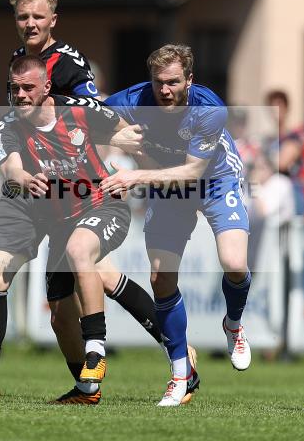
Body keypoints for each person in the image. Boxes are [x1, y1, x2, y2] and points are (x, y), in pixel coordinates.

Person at [0, 0, 170, 404]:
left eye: (38, 16)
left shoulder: (67, 62)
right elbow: (21, 125)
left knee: (91, 267)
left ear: (53, 20)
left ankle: (170, 353)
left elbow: (98, 113)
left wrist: (126, 144)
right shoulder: (20, 62)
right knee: (61, 313)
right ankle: (88, 386)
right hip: (52, 197)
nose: (30, 23)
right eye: (23, 17)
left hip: (84, 190)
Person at [0, 56, 132, 403]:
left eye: (29, 88)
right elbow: (12, 167)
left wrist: (134, 173)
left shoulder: (77, 108)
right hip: (24, 202)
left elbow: (125, 131)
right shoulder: (7, 125)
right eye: (15, 89)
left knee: (88, 289)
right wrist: (25, 178)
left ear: (47, 87)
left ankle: (173, 352)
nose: (21, 95)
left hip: (77, 208)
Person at [101, 44, 251, 406]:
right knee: (160, 277)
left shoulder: (210, 109)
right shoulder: (134, 98)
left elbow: (191, 173)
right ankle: (181, 375)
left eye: (172, 82)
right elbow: (90, 115)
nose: (164, 90)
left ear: (189, 80)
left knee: (234, 264)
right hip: (165, 184)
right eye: (158, 82)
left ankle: (233, 324)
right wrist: (116, 136)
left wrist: (136, 173)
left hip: (215, 180)